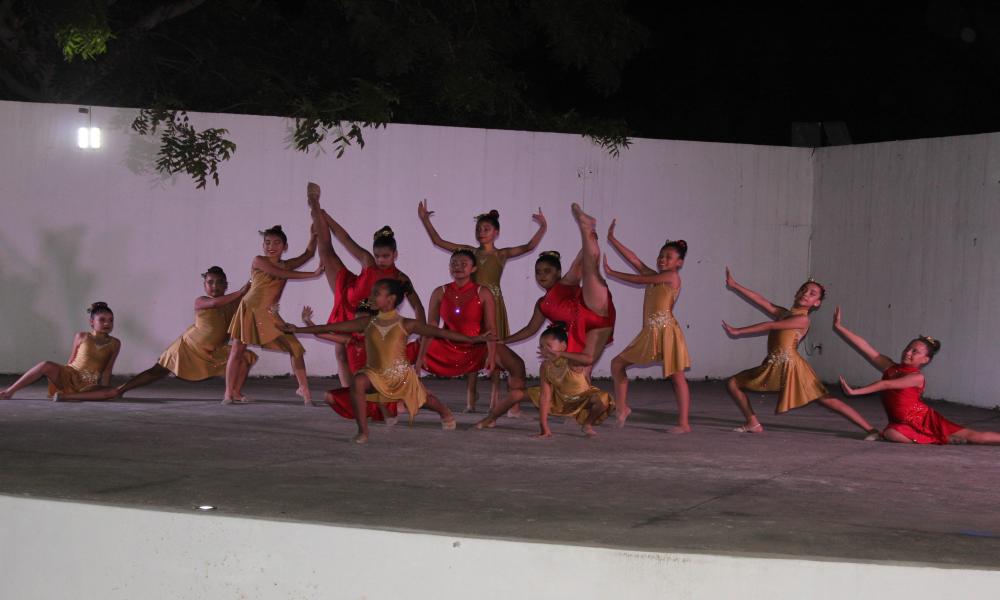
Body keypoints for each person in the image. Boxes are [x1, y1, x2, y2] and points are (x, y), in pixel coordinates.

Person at [283, 279, 492, 444]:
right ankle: (363, 431)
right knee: (358, 382)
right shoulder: (367, 323)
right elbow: (327, 328)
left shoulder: (406, 324)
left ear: (391, 299)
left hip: (400, 375)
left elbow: (439, 332)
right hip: (374, 373)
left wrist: (473, 339)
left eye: (377, 293)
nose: (372, 297)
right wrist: (299, 329)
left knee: (425, 401)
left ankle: (444, 411)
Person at [418, 200, 546, 412]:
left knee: (495, 347)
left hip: (493, 302)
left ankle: (496, 399)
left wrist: (542, 227)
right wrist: (425, 220)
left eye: (486, 229)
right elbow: (438, 241)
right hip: (472, 305)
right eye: (478, 229)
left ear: (496, 232)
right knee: (472, 347)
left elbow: (529, 247)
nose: (481, 232)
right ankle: (471, 397)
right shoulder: (469, 252)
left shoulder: (501, 254)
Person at [722, 268, 879, 437]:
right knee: (733, 383)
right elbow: (762, 301)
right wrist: (735, 285)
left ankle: (871, 429)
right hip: (774, 364)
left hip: (793, 367)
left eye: (812, 293)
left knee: (827, 400)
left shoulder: (803, 319)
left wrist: (739, 331)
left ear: (816, 303)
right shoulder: (784, 313)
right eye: (804, 290)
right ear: (797, 293)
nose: (806, 294)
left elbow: (770, 326)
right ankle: (753, 423)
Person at [310, 183, 424, 388]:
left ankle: (358, 391)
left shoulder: (400, 278)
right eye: (378, 255)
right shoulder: (368, 260)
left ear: (395, 255)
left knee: (346, 351)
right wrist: (326, 218)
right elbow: (345, 239)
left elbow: (418, 305)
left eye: (386, 256)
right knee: (326, 250)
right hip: (347, 293)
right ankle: (314, 205)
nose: (381, 260)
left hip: (365, 314)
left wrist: (422, 329)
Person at [835, 307, 1000, 444]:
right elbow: (865, 347)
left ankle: (944, 437)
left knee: (974, 437)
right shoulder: (891, 367)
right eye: (908, 348)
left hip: (924, 419)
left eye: (915, 351)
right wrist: (840, 327)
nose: (908, 352)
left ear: (925, 359)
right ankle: (944, 439)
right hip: (900, 422)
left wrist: (856, 391)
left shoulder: (917, 377)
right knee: (891, 433)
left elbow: (886, 385)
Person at [116, 267, 258, 402]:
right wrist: (241, 292)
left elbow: (250, 294)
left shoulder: (233, 302)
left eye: (220, 282)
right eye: (210, 282)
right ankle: (121, 389)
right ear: (204, 285)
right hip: (187, 348)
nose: (215, 286)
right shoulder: (201, 301)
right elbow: (215, 303)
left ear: (226, 285)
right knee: (157, 372)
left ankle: (235, 393)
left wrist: (256, 278)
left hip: (213, 350)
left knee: (245, 357)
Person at [505, 203, 615, 377]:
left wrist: (590, 238)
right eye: (538, 272)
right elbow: (530, 330)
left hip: (591, 307)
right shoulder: (542, 304)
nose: (541, 276)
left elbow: (581, 260)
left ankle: (585, 229)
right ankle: (582, 401)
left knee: (590, 269)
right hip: (590, 329)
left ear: (557, 272)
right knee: (582, 372)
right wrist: (504, 340)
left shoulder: (566, 283)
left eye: (547, 271)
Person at [604, 221, 691, 430]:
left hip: (667, 332)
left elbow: (638, 279)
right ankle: (623, 408)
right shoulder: (655, 276)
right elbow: (634, 259)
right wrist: (613, 240)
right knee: (617, 364)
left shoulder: (672, 277)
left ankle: (684, 424)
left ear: (678, 263)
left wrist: (613, 273)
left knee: (677, 377)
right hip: (650, 332)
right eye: (661, 256)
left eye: (668, 257)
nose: (662, 259)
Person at [226, 224, 320, 405]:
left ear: (285, 247)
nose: (271, 246)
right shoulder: (258, 260)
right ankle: (229, 394)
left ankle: (304, 390)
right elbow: (282, 273)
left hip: (270, 313)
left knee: (295, 348)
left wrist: (313, 236)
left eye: (277, 243)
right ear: (263, 246)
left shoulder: (286, 263)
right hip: (249, 310)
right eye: (267, 242)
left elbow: (307, 254)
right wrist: (314, 273)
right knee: (238, 349)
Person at [415, 249, 497, 412]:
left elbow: (490, 328)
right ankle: (409, 395)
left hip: (475, 344)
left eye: (463, 264)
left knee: (503, 356)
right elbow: (431, 325)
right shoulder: (440, 292)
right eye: (454, 264)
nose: (458, 267)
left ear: (473, 269)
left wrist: (492, 356)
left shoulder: (483, 292)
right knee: (411, 347)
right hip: (448, 344)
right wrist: (420, 355)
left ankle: (487, 401)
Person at [1, 302, 121, 401]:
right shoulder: (82, 336)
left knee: (113, 391)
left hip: (89, 385)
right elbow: (71, 360)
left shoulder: (115, 343)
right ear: (91, 322)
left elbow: (107, 369)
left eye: (111, 320)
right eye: (102, 320)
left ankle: (66, 396)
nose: (107, 323)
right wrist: (62, 375)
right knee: (45, 364)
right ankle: (9, 392)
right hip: (69, 375)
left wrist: (104, 388)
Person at [531, 323, 615, 438]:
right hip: (562, 399)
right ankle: (497, 416)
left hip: (582, 398)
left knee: (603, 400)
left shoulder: (573, 361)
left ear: (564, 346)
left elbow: (588, 359)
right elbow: (545, 396)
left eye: (548, 346)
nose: (544, 350)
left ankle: (587, 424)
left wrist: (561, 354)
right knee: (518, 394)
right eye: (541, 346)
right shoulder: (546, 366)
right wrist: (543, 426)